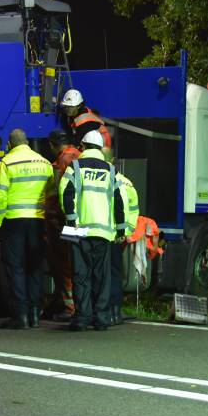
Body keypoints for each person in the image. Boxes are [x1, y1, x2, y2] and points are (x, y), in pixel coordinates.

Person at [59, 129, 124, 331]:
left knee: (80, 275)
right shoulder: (111, 170)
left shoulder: (75, 167)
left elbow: (65, 194)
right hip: (104, 232)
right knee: (102, 277)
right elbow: (118, 201)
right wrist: (120, 230)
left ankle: (82, 318)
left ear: (84, 147)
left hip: (79, 230)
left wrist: (71, 221)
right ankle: (101, 319)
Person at [0, 128, 54, 329]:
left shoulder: (6, 163)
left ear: (10, 144)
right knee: (35, 267)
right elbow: (51, 192)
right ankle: (35, 314)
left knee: (15, 267)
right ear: (27, 142)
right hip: (37, 221)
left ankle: (21, 315)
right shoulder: (44, 163)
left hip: (14, 221)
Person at [44, 129, 81, 321]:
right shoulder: (80, 155)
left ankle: (70, 306)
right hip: (80, 221)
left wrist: (52, 217)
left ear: (52, 145)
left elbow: (59, 194)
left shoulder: (62, 162)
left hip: (64, 222)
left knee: (64, 264)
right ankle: (78, 304)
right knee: (77, 262)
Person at [110, 171, 139, 325]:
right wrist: (128, 232)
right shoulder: (128, 183)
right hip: (121, 235)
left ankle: (107, 312)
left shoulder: (106, 178)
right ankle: (116, 312)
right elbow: (134, 210)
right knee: (116, 272)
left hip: (106, 233)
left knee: (104, 273)